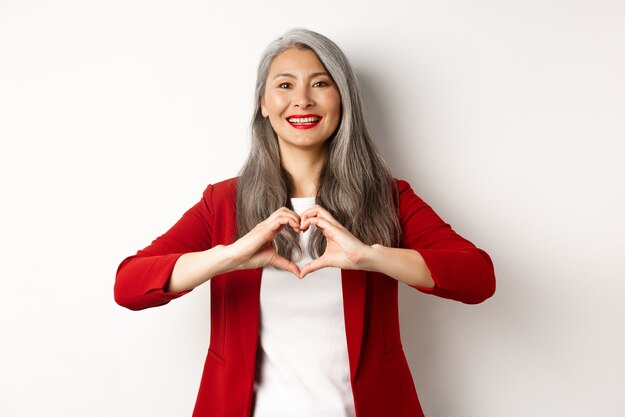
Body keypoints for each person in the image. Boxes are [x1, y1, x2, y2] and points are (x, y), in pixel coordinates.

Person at [114, 28, 496, 417]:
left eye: (320, 83)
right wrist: (227, 257)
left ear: (343, 100)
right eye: (285, 84)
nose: (302, 100)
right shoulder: (224, 202)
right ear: (263, 103)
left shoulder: (388, 197)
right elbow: (129, 285)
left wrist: (371, 257)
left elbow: (478, 277)